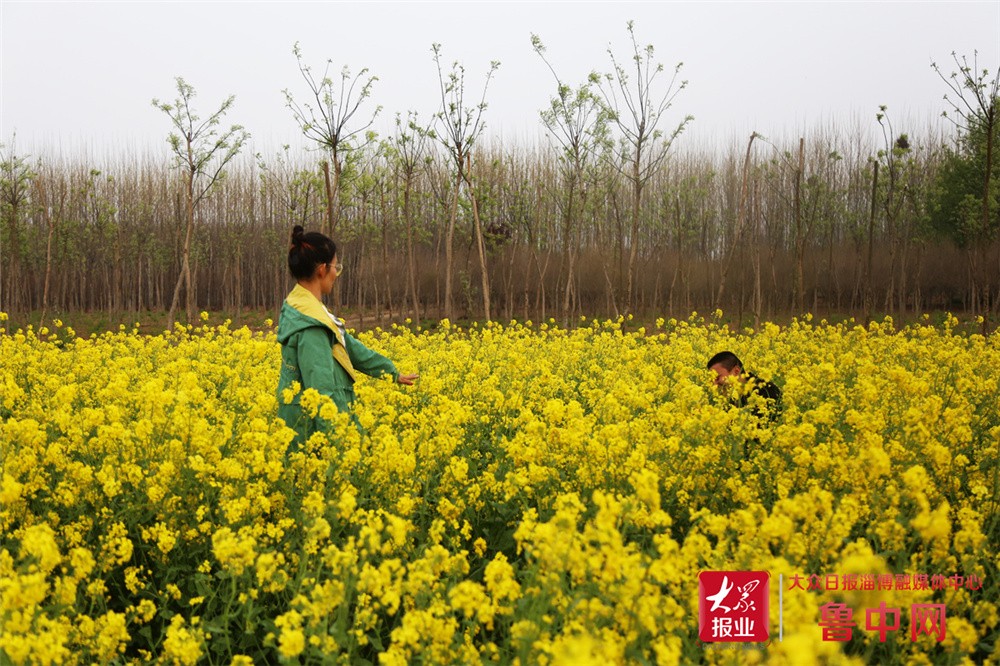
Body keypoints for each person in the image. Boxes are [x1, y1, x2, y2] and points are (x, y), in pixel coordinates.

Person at [277, 225, 417, 450]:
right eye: (336, 267)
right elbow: (321, 393)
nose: (336, 274)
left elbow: (349, 346)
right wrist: (337, 447)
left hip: (313, 430)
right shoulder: (311, 326)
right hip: (312, 438)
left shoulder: (308, 310)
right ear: (322, 269)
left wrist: (390, 372)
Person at [706, 350, 782, 423]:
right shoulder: (730, 397)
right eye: (712, 381)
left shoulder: (766, 391)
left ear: (736, 371)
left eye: (717, 378)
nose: (714, 385)